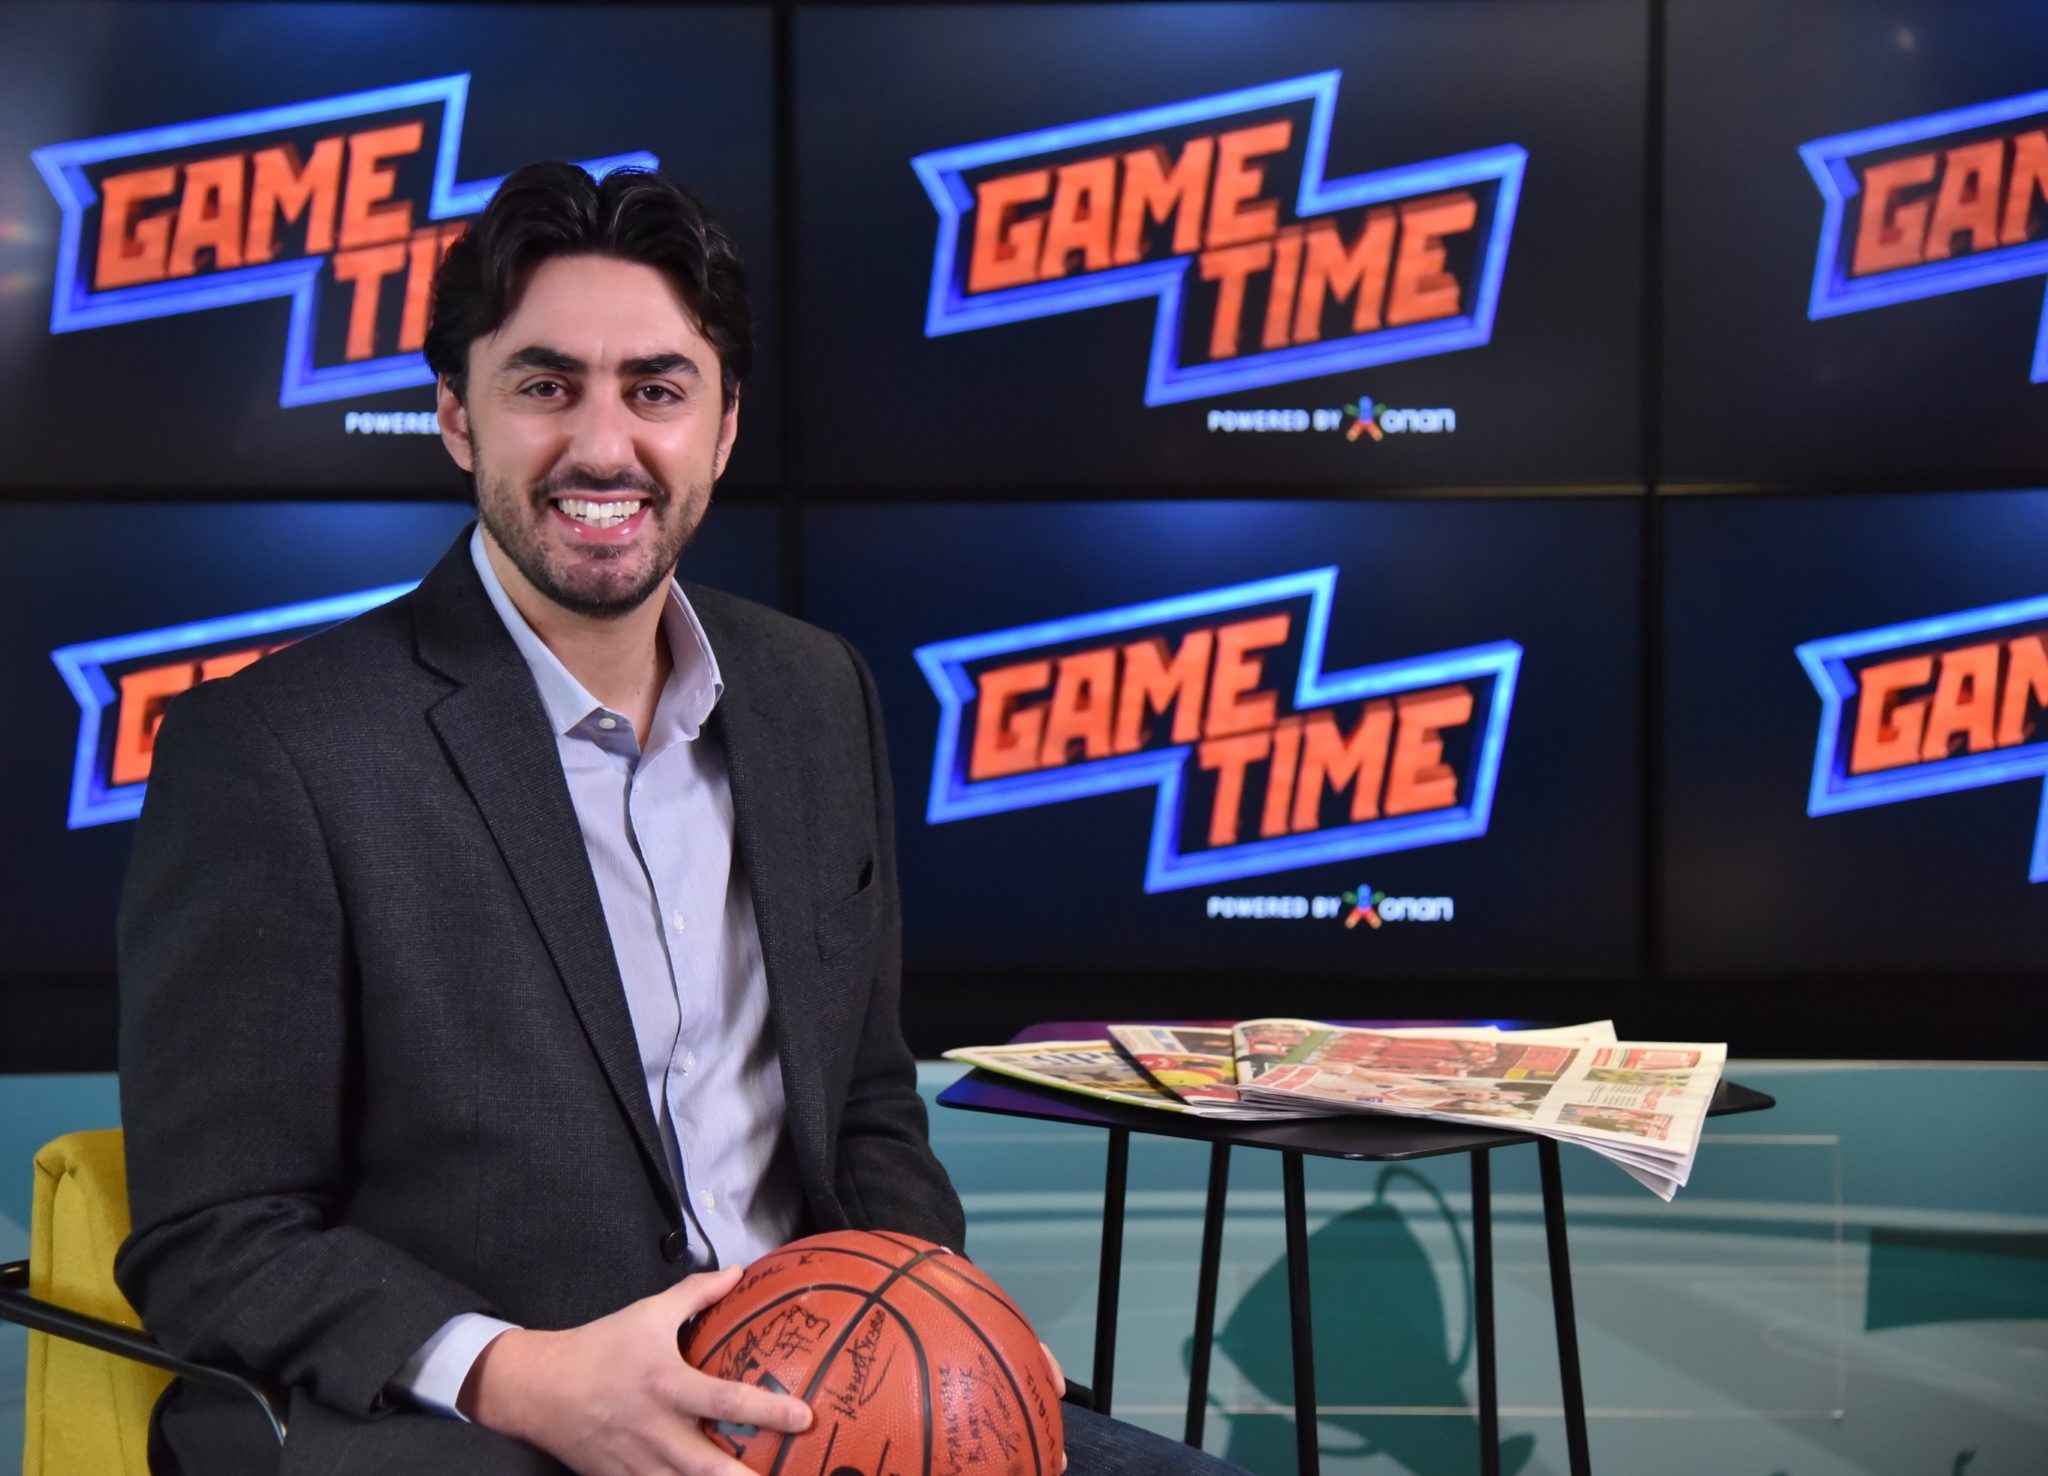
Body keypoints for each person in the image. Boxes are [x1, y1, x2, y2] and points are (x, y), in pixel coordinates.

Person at [114, 163, 1248, 1476]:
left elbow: (866, 1106)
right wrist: (521, 1376)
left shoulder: (817, 695)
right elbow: (216, 1235)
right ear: (457, 418)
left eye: (656, 390)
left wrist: (943, 1326)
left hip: (831, 1403)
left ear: (722, 428)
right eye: (546, 387)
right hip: (487, 1435)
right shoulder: (274, 751)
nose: (604, 448)